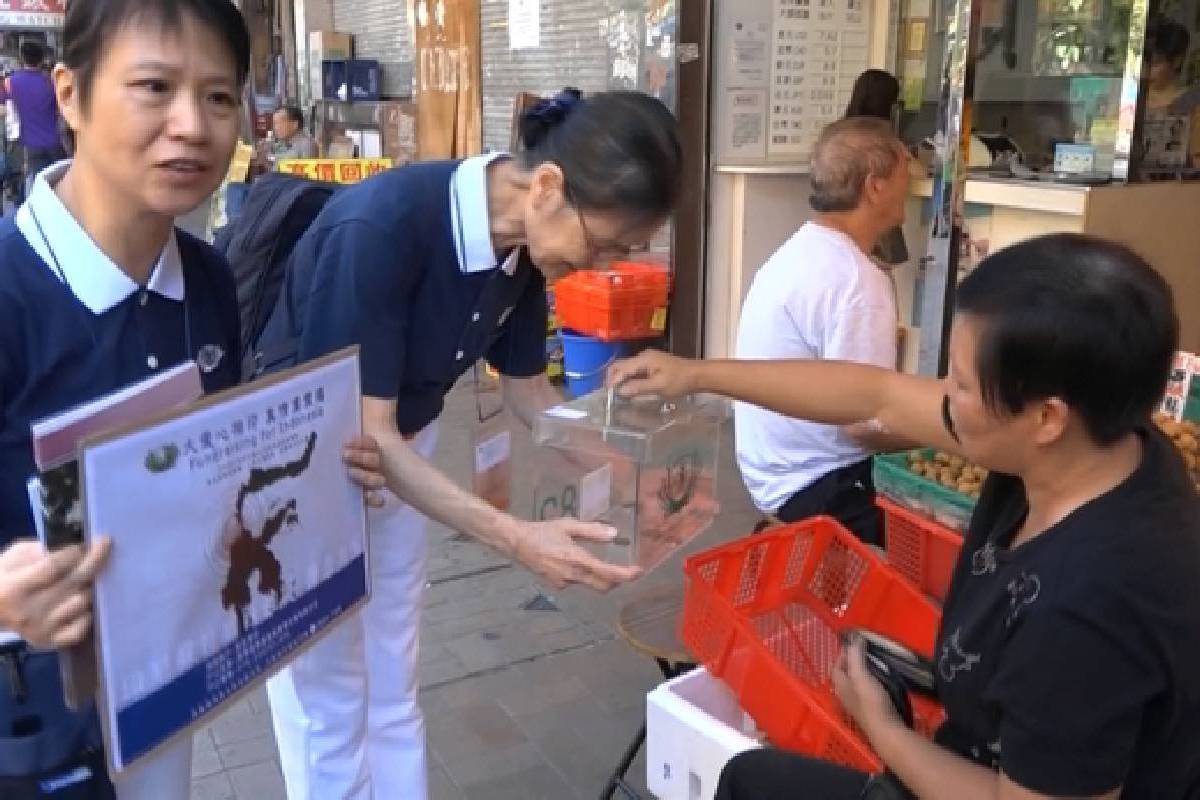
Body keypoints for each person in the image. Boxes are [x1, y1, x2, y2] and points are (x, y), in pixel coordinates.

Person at [610, 233, 1200, 798]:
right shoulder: (1098, 440)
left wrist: (881, 727)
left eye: (963, 383)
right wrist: (697, 375)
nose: (944, 394)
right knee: (755, 777)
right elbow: (877, 396)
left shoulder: (1090, 606)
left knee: (755, 781)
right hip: (983, 745)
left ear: (1047, 417)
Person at [255, 87, 682, 799]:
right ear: (547, 187)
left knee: (394, 672)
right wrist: (518, 537)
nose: (600, 265)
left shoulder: (522, 252)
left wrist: (633, 472)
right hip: (305, 470)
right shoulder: (383, 228)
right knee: (329, 697)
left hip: (399, 448)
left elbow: (529, 396)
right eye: (604, 244)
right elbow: (368, 433)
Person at [0, 3, 382, 798]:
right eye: (154, 86)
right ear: (69, 95)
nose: (193, 126)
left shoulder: (206, 278)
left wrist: (315, 475)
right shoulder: (10, 293)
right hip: (23, 722)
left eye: (217, 97)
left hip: (157, 692)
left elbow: (211, 467)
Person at [737, 117, 912, 545]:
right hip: (816, 484)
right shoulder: (856, 280)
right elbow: (864, 423)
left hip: (769, 470)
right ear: (875, 186)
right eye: (907, 169)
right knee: (956, 516)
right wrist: (949, 433)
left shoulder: (799, 250)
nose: (914, 180)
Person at [845, 68, 908, 266]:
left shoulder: (839, 135)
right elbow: (914, 168)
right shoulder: (881, 138)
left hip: (847, 221)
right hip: (875, 221)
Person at [0, 40, 65, 201]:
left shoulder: (10, 82)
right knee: (60, 183)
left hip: (29, 144)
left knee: (37, 183)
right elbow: (60, 110)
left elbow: (4, 109)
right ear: (42, 59)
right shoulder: (51, 82)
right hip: (54, 141)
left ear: (22, 58)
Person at [1143, 17, 1200, 169]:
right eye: (1144, 63)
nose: (1147, 71)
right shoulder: (1131, 99)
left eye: (1155, 64)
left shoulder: (1192, 103)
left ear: (1176, 61)